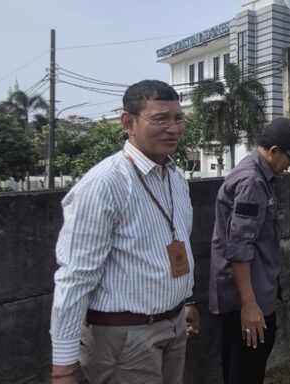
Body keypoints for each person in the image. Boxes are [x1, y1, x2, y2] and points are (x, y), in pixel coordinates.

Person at [50, 80, 200, 384]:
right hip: (124, 336)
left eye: (178, 118)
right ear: (128, 122)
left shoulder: (175, 177)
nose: (173, 129)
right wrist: (63, 366)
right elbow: (76, 275)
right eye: (160, 119)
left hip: (172, 324)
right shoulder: (104, 184)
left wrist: (187, 300)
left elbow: (178, 243)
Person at [209, 117, 290, 384]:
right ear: (273, 151)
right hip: (245, 301)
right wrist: (249, 305)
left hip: (256, 292)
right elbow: (239, 248)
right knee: (245, 372)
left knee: (250, 370)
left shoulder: (260, 176)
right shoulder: (252, 182)